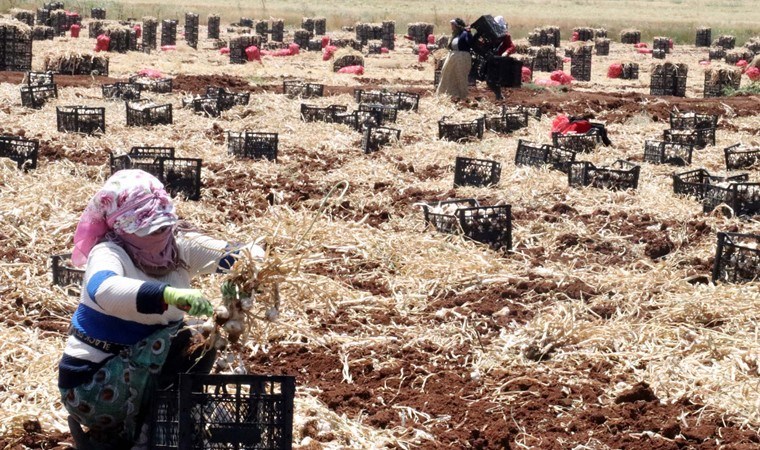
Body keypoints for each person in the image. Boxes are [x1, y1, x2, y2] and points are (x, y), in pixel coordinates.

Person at [59, 170, 263, 449]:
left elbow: (245, 254)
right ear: (121, 226)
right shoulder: (109, 253)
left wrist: (248, 271)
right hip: (92, 386)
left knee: (203, 336)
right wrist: (167, 295)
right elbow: (104, 289)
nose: (159, 233)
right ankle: (146, 436)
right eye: (148, 228)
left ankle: (143, 430)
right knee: (191, 337)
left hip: (136, 374)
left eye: (163, 225)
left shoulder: (178, 246)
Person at [436, 18, 473, 99]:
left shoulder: (465, 33)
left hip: (462, 57)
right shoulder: (454, 35)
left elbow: (470, 43)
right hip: (452, 56)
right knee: (447, 74)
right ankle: (447, 94)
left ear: (457, 25)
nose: (451, 26)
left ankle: (462, 96)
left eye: (453, 25)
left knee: (460, 76)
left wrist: (469, 32)